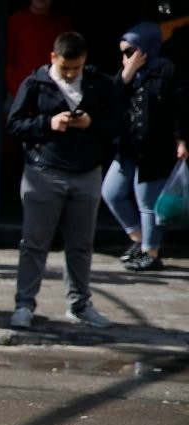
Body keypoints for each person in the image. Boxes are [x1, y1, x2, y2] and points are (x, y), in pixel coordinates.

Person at [6, 31, 118, 330]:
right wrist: (48, 123)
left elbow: (116, 124)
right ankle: (24, 305)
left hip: (87, 173)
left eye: (76, 68)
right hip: (44, 173)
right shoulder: (35, 83)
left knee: (81, 244)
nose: (70, 74)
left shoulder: (99, 84)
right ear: (53, 58)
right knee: (34, 243)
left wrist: (90, 122)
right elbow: (14, 125)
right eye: (65, 68)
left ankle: (80, 305)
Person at [102, 21, 187, 273]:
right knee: (112, 192)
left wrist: (182, 139)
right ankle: (139, 239)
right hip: (128, 145)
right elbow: (107, 99)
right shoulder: (126, 75)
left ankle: (151, 251)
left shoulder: (166, 71)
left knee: (147, 200)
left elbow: (180, 109)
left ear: (145, 48)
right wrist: (126, 74)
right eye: (123, 52)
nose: (126, 57)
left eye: (130, 51)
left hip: (155, 147)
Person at [5, 0, 72, 99]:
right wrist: (17, 91)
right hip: (21, 91)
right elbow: (8, 60)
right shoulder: (16, 21)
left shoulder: (62, 24)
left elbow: (69, 60)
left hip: (54, 93)